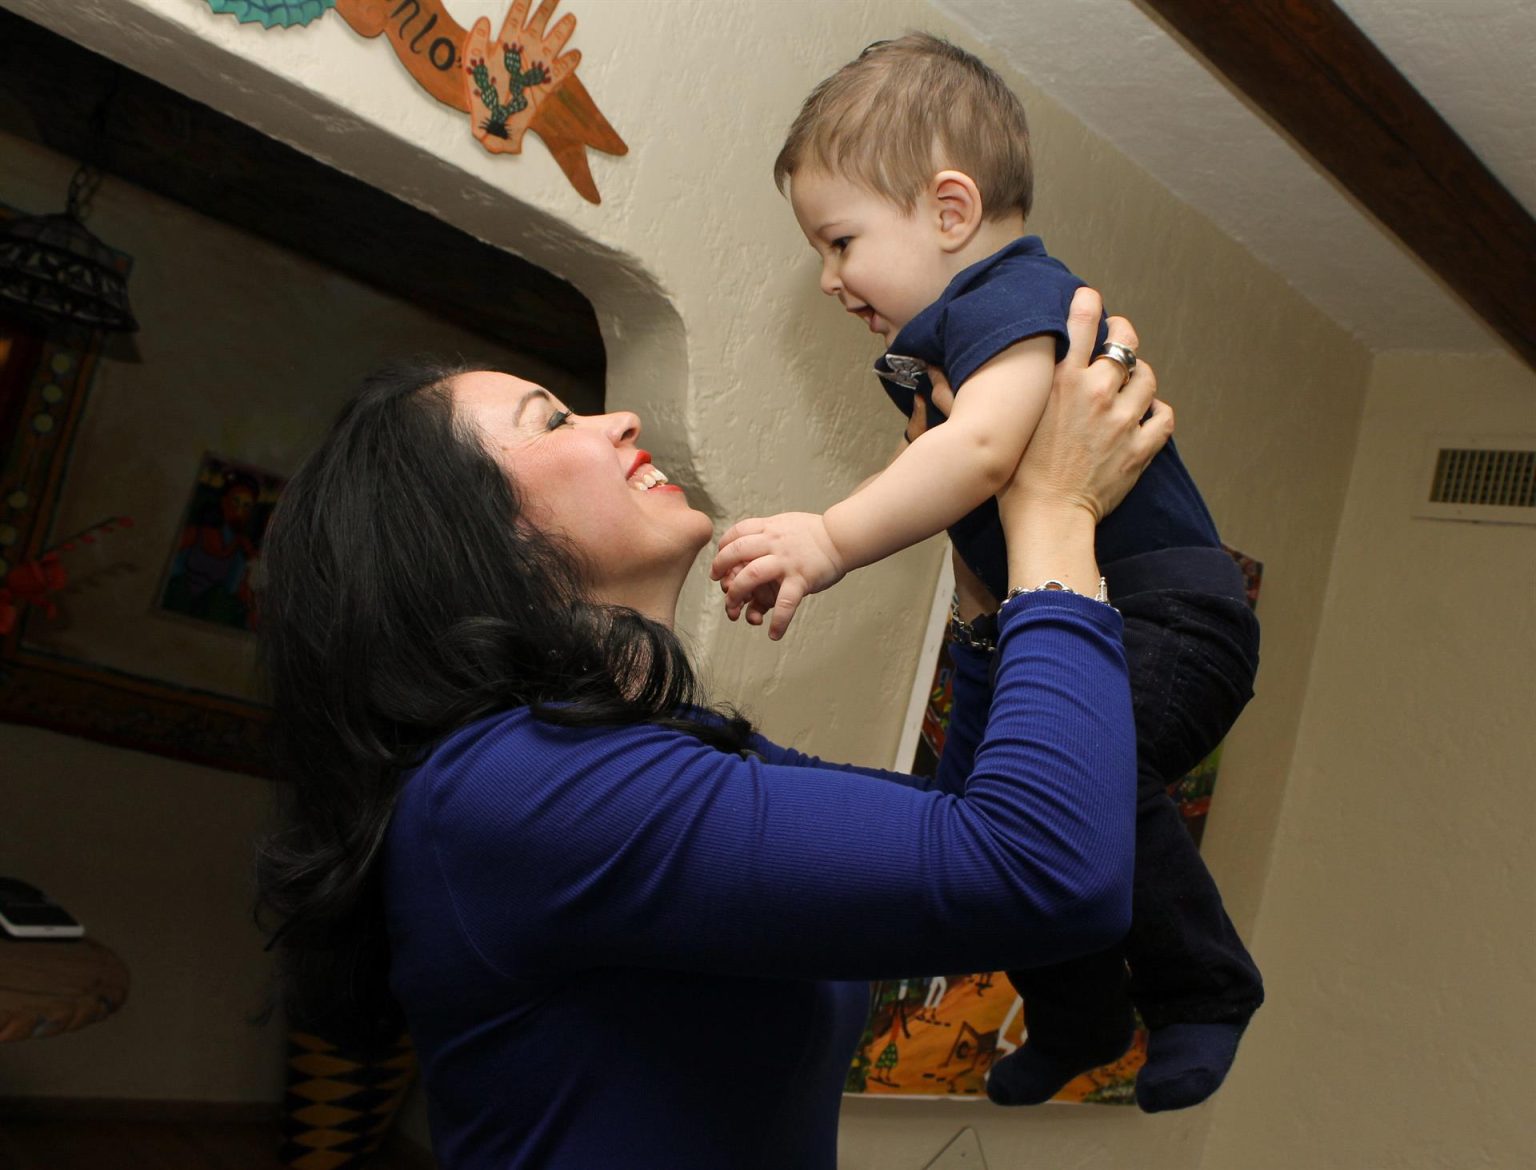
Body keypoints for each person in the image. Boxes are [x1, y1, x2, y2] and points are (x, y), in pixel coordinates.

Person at [256, 292, 1166, 1169]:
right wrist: (1056, 513)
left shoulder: (656, 749)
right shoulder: (517, 786)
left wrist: (980, 587)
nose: (615, 420)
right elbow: (1047, 867)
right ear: (468, 542)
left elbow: (960, 830)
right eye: (549, 421)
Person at [712, 34, 1263, 1111]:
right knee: (993, 816)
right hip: (1070, 620)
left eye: (839, 241)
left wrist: (826, 541)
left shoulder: (1015, 297)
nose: (828, 280)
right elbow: (956, 471)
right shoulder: (957, 342)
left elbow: (980, 454)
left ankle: (1202, 989)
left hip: (1168, 617)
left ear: (951, 211)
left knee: (1090, 782)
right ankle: (1082, 1014)